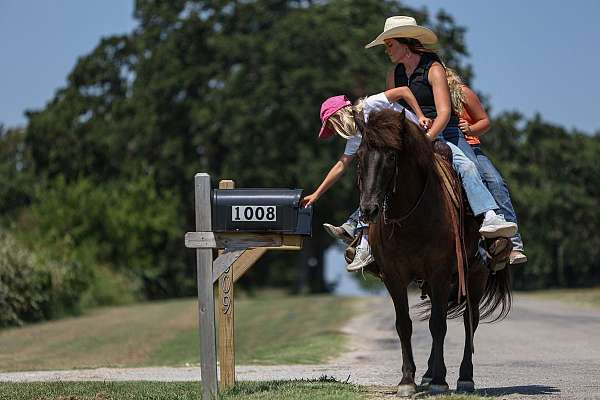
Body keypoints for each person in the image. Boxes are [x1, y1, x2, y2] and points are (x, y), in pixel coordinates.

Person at [323, 16, 518, 270]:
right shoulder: (394, 73)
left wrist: (425, 140)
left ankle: (490, 224)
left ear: (405, 43)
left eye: (390, 44)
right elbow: (395, 110)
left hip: (444, 132)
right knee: (379, 168)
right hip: (409, 134)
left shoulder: (433, 69)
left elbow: (445, 112)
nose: (387, 50)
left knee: (470, 168)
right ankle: (365, 239)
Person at [303, 89, 518, 271]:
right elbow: (341, 165)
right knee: (376, 182)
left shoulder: (371, 104)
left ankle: (488, 220)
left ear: (340, 115)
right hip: (402, 157)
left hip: (422, 141)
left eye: (331, 124)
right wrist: (317, 193)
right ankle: (364, 241)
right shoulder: (355, 137)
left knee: (465, 167)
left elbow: (403, 91)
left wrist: (420, 115)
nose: (333, 130)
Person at [446, 68, 527, 264]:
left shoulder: (462, 92)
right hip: (444, 145)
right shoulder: (426, 95)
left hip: (471, 147)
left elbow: (485, 121)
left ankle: (512, 242)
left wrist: (471, 128)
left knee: (495, 181)